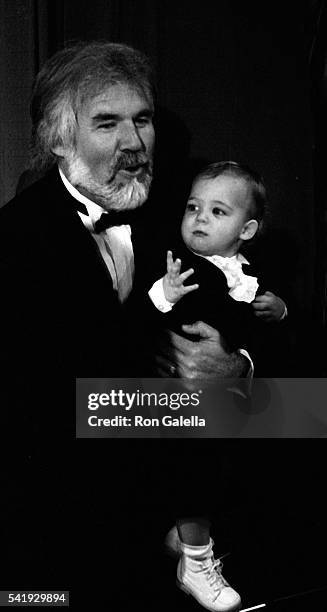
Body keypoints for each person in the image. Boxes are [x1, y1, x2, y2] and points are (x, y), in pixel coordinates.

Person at [0, 41, 252, 609]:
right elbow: (40, 407)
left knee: (308, 411)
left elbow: (260, 308)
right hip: (70, 520)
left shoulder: (191, 207)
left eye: (142, 120)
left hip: (186, 497)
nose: (134, 143)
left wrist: (238, 365)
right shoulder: (15, 239)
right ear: (59, 139)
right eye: (107, 123)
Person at [147, 161, 287, 358]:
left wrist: (281, 311)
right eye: (193, 207)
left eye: (217, 211)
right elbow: (143, 323)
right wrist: (165, 294)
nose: (200, 217)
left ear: (246, 230)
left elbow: (270, 340)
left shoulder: (255, 276)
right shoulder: (177, 265)